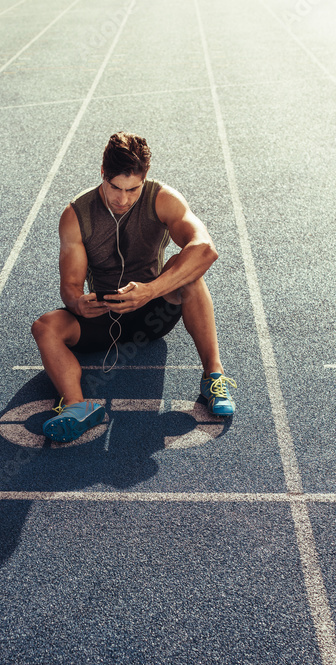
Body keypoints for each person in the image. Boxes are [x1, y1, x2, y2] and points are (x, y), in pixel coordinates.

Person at [31, 132, 236, 443]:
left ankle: (213, 376)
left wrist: (149, 291)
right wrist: (77, 303)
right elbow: (70, 286)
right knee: (45, 327)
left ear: (145, 178)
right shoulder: (76, 215)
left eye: (132, 189)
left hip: (154, 309)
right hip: (103, 315)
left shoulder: (163, 199)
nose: (123, 199)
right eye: (115, 187)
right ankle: (77, 407)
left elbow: (206, 249)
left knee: (190, 272)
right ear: (102, 174)